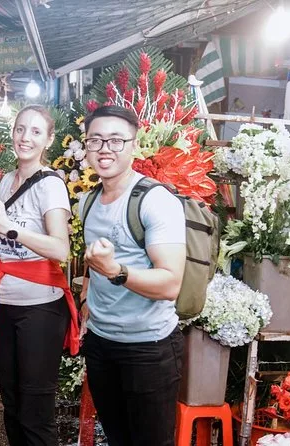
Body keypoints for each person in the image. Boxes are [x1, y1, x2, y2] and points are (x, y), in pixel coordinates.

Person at [78, 105, 186, 446]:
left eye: (116, 140)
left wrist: (116, 271)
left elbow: (170, 284)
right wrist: (86, 300)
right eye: (95, 140)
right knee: (117, 439)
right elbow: (93, 261)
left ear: (134, 145)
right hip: (101, 344)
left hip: (148, 348)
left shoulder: (156, 201)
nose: (104, 149)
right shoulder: (87, 201)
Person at [0, 105, 78, 446]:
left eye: (36, 132)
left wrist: (9, 228)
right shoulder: (7, 181)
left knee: (35, 412)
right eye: (21, 129)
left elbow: (60, 249)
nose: (26, 137)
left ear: (48, 140)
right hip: (6, 303)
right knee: (12, 406)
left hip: (40, 308)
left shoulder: (50, 185)